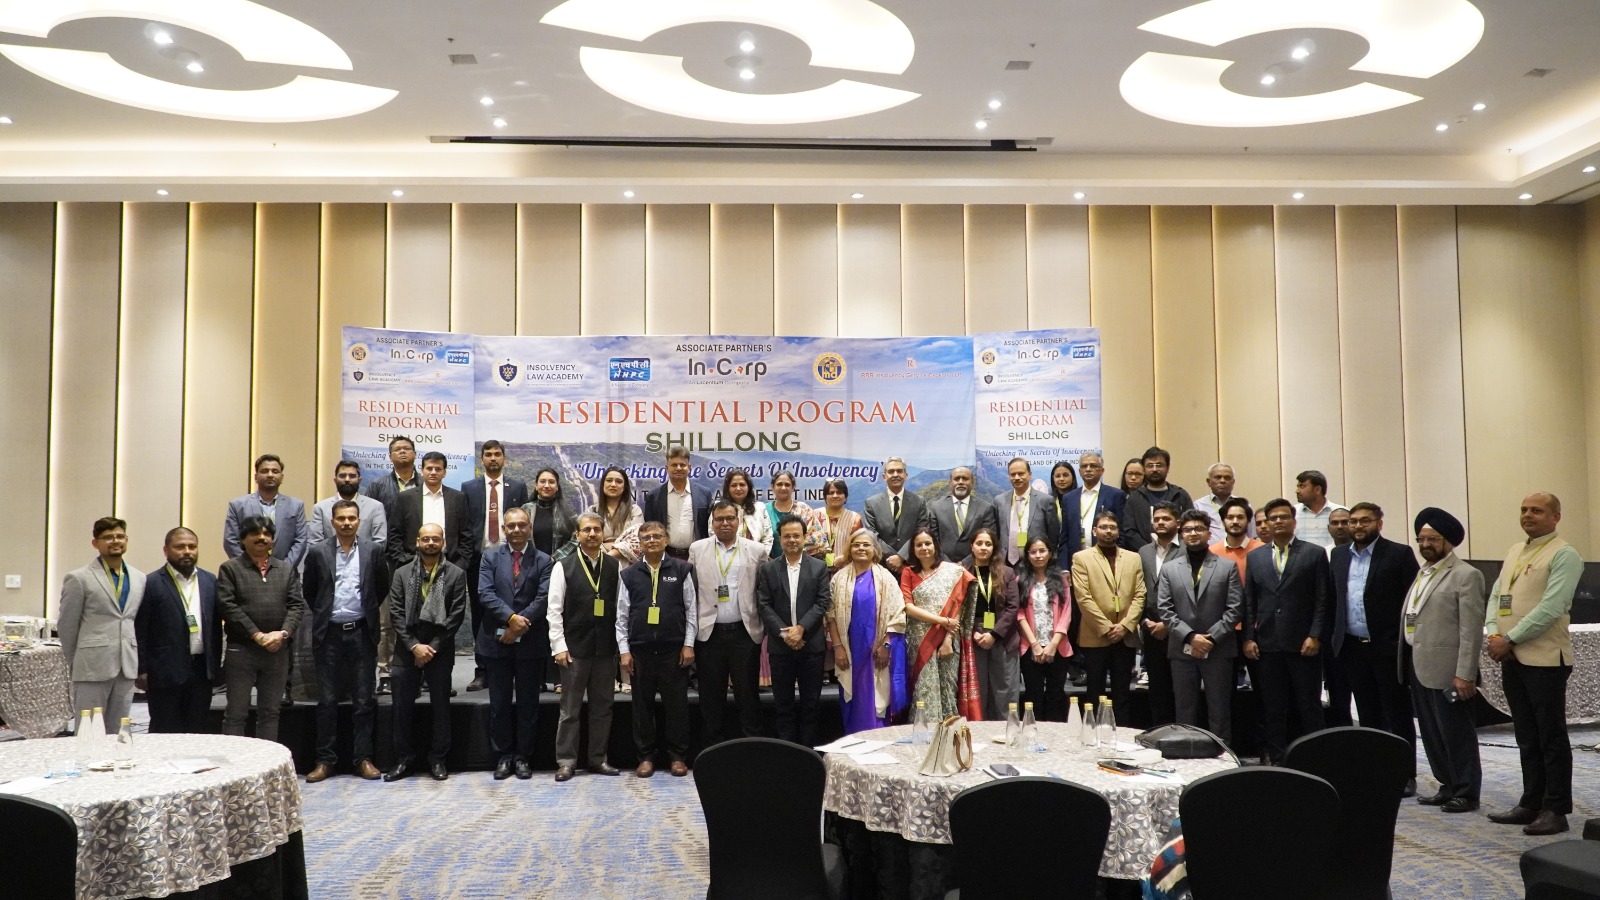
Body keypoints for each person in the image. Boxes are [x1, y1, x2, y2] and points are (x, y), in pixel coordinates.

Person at [1485, 492, 1582, 836]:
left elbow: (1552, 606)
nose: (1528, 515)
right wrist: (1494, 633)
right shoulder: (1515, 550)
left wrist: (1510, 639)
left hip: (1545, 659)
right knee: (1526, 735)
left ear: (1556, 517)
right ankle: (1531, 802)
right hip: (1512, 656)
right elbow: (1496, 595)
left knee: (1550, 736)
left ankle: (1556, 809)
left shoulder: (1565, 554)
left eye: (1537, 511)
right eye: (1524, 509)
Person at [1327, 501, 1419, 793]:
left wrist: (1402, 641)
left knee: (1397, 713)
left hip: (1387, 647)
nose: (1357, 526)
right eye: (1353, 521)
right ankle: (1375, 771)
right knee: (1367, 714)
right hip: (1352, 647)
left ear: (1379, 524)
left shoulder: (1399, 554)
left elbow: (1413, 601)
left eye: (1364, 521)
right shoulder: (1339, 555)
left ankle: (1405, 774)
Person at [302, 499, 391, 782]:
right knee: (327, 701)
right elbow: (310, 590)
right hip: (328, 633)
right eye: (341, 519)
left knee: (364, 700)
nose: (346, 523)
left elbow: (381, 587)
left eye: (351, 518)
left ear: (359, 522)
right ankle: (325, 760)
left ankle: (363, 758)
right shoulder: (318, 551)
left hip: (362, 632)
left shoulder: (373, 550)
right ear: (332, 522)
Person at [1405, 508, 1486, 814]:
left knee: (1456, 733)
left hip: (1449, 670)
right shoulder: (1423, 572)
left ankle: (1466, 791)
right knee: (1432, 732)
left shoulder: (1466, 575)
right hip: (1420, 665)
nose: (1425, 544)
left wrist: (1465, 673)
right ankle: (1447, 785)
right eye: (1421, 539)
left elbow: (1471, 630)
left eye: (1433, 539)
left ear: (1448, 541)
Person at [1242, 498, 1329, 764]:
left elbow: (1322, 599)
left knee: (1309, 705)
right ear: (1266, 523)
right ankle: (1278, 759)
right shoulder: (1255, 556)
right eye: (1273, 518)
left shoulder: (1314, 554)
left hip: (1304, 643)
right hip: (1267, 644)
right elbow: (1250, 601)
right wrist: (1249, 637)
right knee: (1273, 707)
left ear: (1294, 521)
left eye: (1283, 517)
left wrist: (1315, 635)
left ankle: (1316, 759)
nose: (1278, 521)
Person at [383, 523, 467, 782]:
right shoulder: (401, 573)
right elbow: (396, 612)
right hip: (406, 648)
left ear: (443, 542)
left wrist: (432, 647)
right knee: (401, 707)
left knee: (441, 707)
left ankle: (438, 759)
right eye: (426, 539)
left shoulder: (456, 574)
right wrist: (413, 646)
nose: (431, 543)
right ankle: (403, 759)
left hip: (439, 649)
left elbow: (456, 615)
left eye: (435, 539)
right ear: (417, 542)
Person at [477, 506, 552, 781]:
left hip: (530, 643)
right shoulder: (490, 557)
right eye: (512, 526)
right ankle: (503, 756)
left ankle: (523, 757)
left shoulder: (544, 560)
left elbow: (544, 598)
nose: (517, 530)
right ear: (504, 529)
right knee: (499, 704)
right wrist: (510, 619)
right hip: (497, 641)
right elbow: (485, 593)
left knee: (528, 705)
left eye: (522, 525)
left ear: (529, 528)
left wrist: (519, 625)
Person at [216, 515, 305, 743]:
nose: (261, 538)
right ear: (243, 539)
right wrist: (256, 634)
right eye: (255, 533)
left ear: (273, 540)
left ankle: (267, 761)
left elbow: (296, 605)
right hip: (241, 651)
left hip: (277, 650)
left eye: (266, 534)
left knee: (270, 713)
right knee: (236, 714)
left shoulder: (285, 569)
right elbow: (228, 606)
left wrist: (282, 634)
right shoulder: (230, 568)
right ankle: (234, 761)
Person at [548, 513, 624, 781]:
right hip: (574, 650)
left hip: (605, 649)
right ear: (577, 535)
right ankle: (566, 762)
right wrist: (559, 646)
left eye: (596, 530)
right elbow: (554, 610)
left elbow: (621, 609)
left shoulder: (615, 565)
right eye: (587, 530)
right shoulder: (563, 566)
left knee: (603, 708)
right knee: (570, 711)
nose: (592, 534)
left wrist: (620, 647)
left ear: (603, 533)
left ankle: (598, 759)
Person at [1157, 510, 1243, 745]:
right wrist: (1191, 637)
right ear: (1181, 534)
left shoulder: (1227, 566)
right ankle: (1187, 755)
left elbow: (1235, 608)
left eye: (1199, 529)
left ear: (1209, 533)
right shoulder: (1169, 568)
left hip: (1218, 649)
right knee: (1185, 710)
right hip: (1181, 650)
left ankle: (1224, 757)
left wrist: (1210, 639)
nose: (1193, 533)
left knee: (1220, 709)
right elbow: (1164, 609)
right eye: (1187, 529)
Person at [619, 520, 696, 776]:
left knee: (677, 706)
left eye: (657, 536)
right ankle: (645, 757)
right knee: (642, 708)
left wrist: (688, 644)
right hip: (640, 651)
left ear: (666, 540)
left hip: (673, 650)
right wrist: (624, 650)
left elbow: (691, 610)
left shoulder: (682, 570)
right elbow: (621, 615)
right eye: (646, 537)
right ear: (640, 544)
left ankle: (677, 756)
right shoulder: (629, 574)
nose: (652, 540)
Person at [691, 500, 770, 743]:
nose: (725, 523)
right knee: (711, 697)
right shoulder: (697, 549)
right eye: (719, 519)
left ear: (739, 521)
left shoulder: (756, 550)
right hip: (709, 633)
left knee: (748, 696)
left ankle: (752, 748)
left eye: (730, 518)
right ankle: (713, 751)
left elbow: (764, 592)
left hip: (744, 634)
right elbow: (691, 592)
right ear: (712, 523)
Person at [60, 517, 146, 730]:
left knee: (118, 730)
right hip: (91, 665)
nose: (115, 541)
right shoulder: (78, 578)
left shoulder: (139, 578)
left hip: (126, 665)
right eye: (108, 537)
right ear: (95, 543)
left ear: (126, 540)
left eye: (120, 536)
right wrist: (78, 661)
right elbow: (67, 625)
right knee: (89, 729)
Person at [136, 527, 221, 734]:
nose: (187, 551)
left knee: (197, 730)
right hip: (164, 671)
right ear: (166, 550)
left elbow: (216, 627)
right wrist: (141, 669)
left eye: (192, 547)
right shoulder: (151, 583)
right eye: (180, 547)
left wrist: (215, 666)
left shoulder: (210, 581)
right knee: (165, 731)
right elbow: (140, 629)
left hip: (201, 670)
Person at [756, 514, 832, 744]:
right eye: (787, 536)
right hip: (781, 647)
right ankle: (787, 751)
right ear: (780, 539)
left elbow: (822, 602)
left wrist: (801, 629)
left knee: (811, 704)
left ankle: (808, 751)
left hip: (811, 645)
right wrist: (785, 633)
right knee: (783, 705)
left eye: (796, 536)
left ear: (805, 537)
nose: (791, 540)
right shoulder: (768, 569)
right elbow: (763, 604)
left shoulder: (819, 567)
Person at [462, 439, 529, 693]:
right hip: (479, 559)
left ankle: (511, 666)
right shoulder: (469, 487)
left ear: (504, 458)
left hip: (510, 557)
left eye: (497, 454)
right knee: (481, 614)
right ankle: (482, 671)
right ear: (482, 459)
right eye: (488, 454)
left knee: (511, 610)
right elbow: (465, 525)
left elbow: (523, 523)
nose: (493, 458)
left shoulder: (518, 487)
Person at [827, 528, 908, 734]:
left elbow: (898, 615)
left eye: (866, 545)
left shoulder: (885, 578)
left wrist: (886, 645)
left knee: (876, 699)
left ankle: (878, 739)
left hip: (877, 650)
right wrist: (838, 647)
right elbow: (830, 615)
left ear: (875, 550)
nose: (861, 548)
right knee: (852, 697)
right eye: (856, 545)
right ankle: (853, 740)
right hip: (849, 649)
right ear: (849, 549)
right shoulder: (839, 579)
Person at [901, 526, 978, 721]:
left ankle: (950, 735)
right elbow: (908, 607)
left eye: (928, 543)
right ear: (913, 549)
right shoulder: (908, 572)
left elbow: (959, 605)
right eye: (919, 545)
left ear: (935, 545)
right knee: (924, 690)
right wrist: (941, 620)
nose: (924, 548)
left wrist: (948, 639)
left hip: (947, 640)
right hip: (920, 641)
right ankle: (925, 734)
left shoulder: (952, 571)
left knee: (948, 689)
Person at [364, 436, 420, 696]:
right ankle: (385, 673)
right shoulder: (378, 486)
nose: (402, 452)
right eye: (397, 449)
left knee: (420, 619)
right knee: (386, 621)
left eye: (407, 448)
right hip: (387, 561)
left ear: (415, 454)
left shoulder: (426, 484)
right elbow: (368, 521)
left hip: (421, 560)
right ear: (390, 456)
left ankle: (420, 671)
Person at [1072, 512, 1145, 711]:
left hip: (1125, 636)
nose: (1108, 531)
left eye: (1112, 527)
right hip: (1095, 635)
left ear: (1118, 532)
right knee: (1094, 693)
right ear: (1094, 531)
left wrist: (1125, 626)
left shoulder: (1133, 558)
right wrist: (1106, 627)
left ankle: (1122, 729)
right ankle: (1093, 730)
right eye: (1103, 527)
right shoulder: (1081, 558)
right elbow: (1083, 597)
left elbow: (1140, 595)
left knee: (1122, 694)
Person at [963, 528, 1020, 720]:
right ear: (972, 547)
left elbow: (1013, 607)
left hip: (1003, 635)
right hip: (975, 635)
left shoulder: (1007, 572)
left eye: (988, 544)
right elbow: (959, 608)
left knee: (1005, 689)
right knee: (979, 690)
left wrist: (994, 634)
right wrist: (972, 632)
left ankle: (1007, 731)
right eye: (979, 543)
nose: (983, 548)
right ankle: (980, 732)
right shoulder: (963, 573)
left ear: (994, 548)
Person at [387, 451, 475, 573]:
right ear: (422, 471)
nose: (433, 472)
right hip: (412, 564)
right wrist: (402, 561)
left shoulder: (458, 498)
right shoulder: (405, 498)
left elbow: (466, 535)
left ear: (444, 472)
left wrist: (461, 564)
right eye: (429, 468)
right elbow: (394, 533)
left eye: (438, 469)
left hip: (450, 565)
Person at [1017, 536, 1074, 720]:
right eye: (1033, 552)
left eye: (1042, 551)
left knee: (1055, 695)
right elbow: (1019, 614)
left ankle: (1054, 734)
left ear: (1050, 553)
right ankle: (1033, 732)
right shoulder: (1020, 580)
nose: (1038, 556)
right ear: (1027, 555)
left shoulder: (1062, 581)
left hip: (1057, 647)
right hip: (1030, 647)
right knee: (1033, 695)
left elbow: (1066, 614)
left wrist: (1053, 645)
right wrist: (1034, 644)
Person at [1138, 502, 1184, 727]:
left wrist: (1168, 624)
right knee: (1157, 688)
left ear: (1178, 523)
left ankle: (1181, 733)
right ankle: (1159, 733)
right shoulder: (1144, 551)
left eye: (1166, 518)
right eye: (1156, 519)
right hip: (1150, 628)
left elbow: (1190, 594)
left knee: (1181, 688)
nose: (1160, 522)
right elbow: (1138, 589)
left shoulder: (1187, 550)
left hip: (1179, 630)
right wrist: (1145, 621)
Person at [223, 454, 310, 570]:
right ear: (256, 477)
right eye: (264, 471)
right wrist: (250, 568)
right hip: (246, 573)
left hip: (285, 573)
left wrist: (283, 569)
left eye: (275, 471)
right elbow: (231, 541)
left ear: (282, 477)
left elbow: (301, 541)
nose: (270, 475)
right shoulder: (238, 505)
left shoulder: (296, 505)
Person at [642, 447, 713, 560]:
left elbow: (709, 527)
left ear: (689, 467)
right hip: (666, 556)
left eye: (682, 465)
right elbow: (649, 529)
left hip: (698, 555)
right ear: (667, 468)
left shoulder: (704, 493)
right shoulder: (654, 496)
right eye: (674, 465)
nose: (678, 468)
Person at [1120, 446, 1194, 549]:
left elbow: (1190, 526)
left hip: (1178, 553)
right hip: (1143, 554)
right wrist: (1149, 551)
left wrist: (1177, 549)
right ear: (1144, 469)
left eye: (1159, 465)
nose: (1154, 469)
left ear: (1167, 468)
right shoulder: (1135, 498)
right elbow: (1129, 531)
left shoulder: (1180, 495)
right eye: (1150, 465)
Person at [921, 466, 998, 564]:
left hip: (976, 565)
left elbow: (989, 540)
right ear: (950, 483)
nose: (961, 482)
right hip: (944, 565)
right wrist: (948, 564)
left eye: (965, 479)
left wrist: (965, 563)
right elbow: (933, 540)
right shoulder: (936, 507)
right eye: (956, 479)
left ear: (972, 483)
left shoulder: (985, 508)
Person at [863, 457, 926, 575]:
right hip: (882, 566)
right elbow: (871, 534)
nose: (895, 474)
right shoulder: (871, 503)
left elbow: (921, 532)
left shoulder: (919, 501)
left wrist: (901, 556)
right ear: (884, 476)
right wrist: (892, 557)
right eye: (891, 471)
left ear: (906, 475)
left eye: (899, 471)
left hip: (912, 565)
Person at [308, 459, 388, 549]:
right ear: (335, 480)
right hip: (329, 557)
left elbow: (380, 542)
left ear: (359, 480)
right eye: (342, 476)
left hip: (366, 557)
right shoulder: (320, 508)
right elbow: (315, 544)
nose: (347, 479)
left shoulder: (375, 507)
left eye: (352, 476)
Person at [995, 457, 1060, 567]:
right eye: (1013, 474)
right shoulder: (999, 501)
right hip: (1006, 564)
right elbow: (996, 533)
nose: (1016, 477)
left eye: (1021, 474)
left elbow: (1053, 535)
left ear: (1030, 475)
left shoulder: (1045, 501)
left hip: (1036, 563)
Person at [1061, 452, 1126, 558]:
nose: (1088, 469)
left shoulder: (1115, 495)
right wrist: (1064, 565)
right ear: (1080, 471)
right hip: (1076, 558)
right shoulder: (1068, 498)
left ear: (1102, 471)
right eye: (1084, 466)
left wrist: (1116, 559)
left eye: (1093, 466)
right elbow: (1064, 536)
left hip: (1107, 557)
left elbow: (1121, 533)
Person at [587, 465, 643, 565]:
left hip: (628, 565)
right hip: (597, 562)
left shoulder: (634, 510)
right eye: (609, 480)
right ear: (603, 484)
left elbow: (638, 540)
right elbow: (587, 538)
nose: (613, 484)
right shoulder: (592, 511)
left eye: (619, 481)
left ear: (625, 486)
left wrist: (610, 554)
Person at [764, 470, 825, 559]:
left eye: (787, 485)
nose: (783, 488)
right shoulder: (764, 510)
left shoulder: (804, 509)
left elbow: (818, 539)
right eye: (779, 484)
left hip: (802, 564)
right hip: (770, 564)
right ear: (772, 487)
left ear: (793, 488)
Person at [808, 478, 863, 575]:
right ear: (825, 497)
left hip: (846, 572)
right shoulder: (814, 516)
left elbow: (860, 546)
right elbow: (806, 543)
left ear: (845, 497)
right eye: (831, 493)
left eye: (839, 492)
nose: (835, 496)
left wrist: (845, 557)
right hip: (816, 572)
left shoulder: (855, 519)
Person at [521, 467, 578, 560]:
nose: (547, 486)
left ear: (557, 487)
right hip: (530, 563)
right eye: (542, 481)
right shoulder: (526, 510)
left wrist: (554, 559)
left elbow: (576, 539)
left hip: (560, 564)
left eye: (551, 482)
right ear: (536, 485)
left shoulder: (568, 512)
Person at [712, 468, 772, 550]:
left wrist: (761, 556)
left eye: (742, 485)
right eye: (734, 485)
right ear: (728, 488)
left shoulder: (760, 507)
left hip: (757, 555)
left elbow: (768, 537)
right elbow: (713, 534)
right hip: (726, 555)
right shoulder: (718, 507)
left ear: (748, 487)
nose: (738, 488)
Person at [1193, 463, 1251, 545]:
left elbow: (1251, 534)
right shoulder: (1198, 506)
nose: (1222, 481)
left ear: (1233, 482)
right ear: (1209, 482)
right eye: (1218, 477)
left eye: (1227, 478)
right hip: (1210, 552)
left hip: (1240, 550)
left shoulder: (1243, 505)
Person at [1292, 470, 1345, 550]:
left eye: (1302, 486)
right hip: (1303, 557)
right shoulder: (1293, 513)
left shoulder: (1341, 513)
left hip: (1332, 557)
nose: (1297, 491)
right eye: (1298, 486)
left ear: (1317, 490)